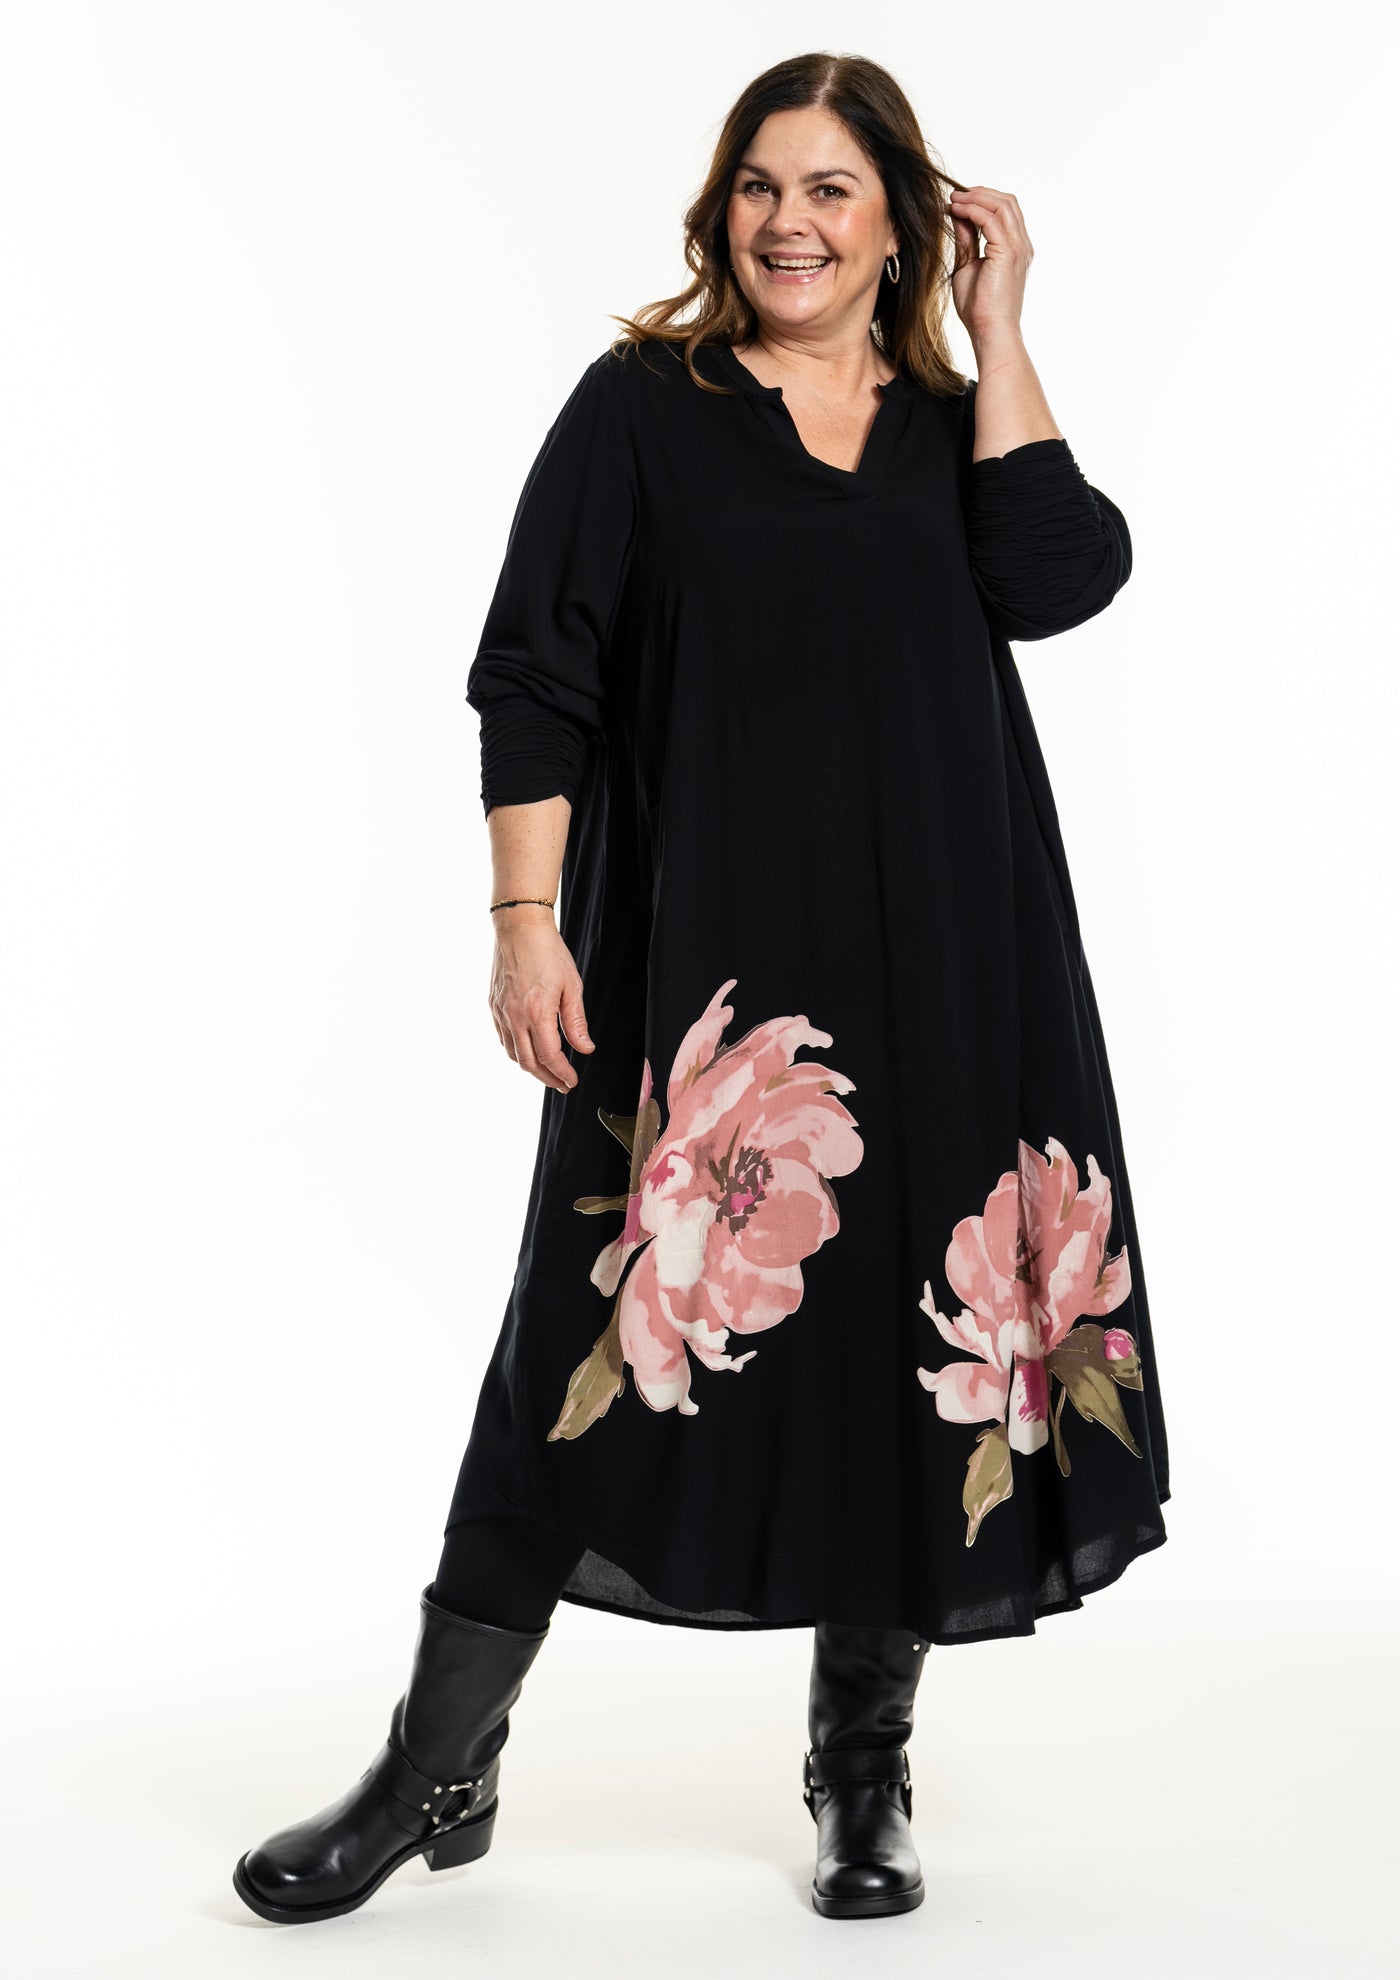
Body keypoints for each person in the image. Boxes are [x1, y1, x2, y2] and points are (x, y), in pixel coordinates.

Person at [233, 49, 1170, 1927]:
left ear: (899, 221)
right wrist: (525, 917)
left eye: (831, 190)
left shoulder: (948, 421)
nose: (787, 223)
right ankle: (436, 1770)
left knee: (914, 1348)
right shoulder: (643, 409)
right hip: (706, 985)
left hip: (952, 958)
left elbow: (1061, 578)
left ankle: (861, 1770)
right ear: (718, 208)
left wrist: (999, 330)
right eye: (760, 184)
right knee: (571, 1354)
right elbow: (535, 670)